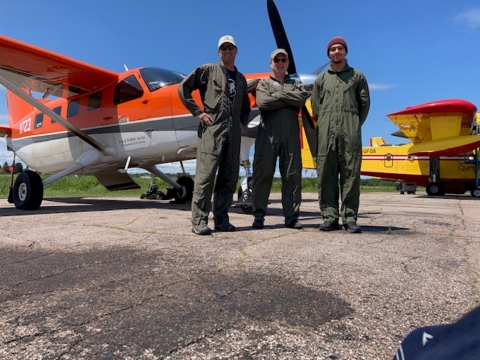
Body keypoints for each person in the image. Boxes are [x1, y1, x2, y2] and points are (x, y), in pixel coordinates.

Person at [177, 35, 251, 235]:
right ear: (219, 52)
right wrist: (197, 112)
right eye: (224, 48)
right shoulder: (209, 70)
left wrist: (242, 121)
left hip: (233, 132)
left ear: (236, 51)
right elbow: (183, 87)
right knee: (205, 175)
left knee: (229, 177)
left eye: (231, 47)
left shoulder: (241, 79)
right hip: (212, 130)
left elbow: (246, 105)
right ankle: (199, 221)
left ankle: (221, 220)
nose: (227, 51)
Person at [311, 36, 370, 233]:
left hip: (350, 129)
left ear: (345, 52)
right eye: (333, 49)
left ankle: (350, 218)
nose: (336, 52)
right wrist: (327, 122)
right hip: (326, 129)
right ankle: (329, 217)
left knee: (350, 173)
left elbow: (364, 104)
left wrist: (353, 122)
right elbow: (316, 107)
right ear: (328, 53)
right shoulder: (321, 79)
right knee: (326, 173)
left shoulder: (357, 76)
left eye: (340, 49)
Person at [251, 49, 308, 230]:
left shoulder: (296, 83)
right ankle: (259, 216)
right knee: (263, 175)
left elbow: (300, 100)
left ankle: (291, 217)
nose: (280, 62)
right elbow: (263, 103)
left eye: (283, 60)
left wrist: (279, 95)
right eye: (277, 60)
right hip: (267, 134)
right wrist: (288, 98)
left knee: (292, 176)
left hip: (290, 134)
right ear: (271, 63)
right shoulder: (264, 83)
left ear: (288, 63)